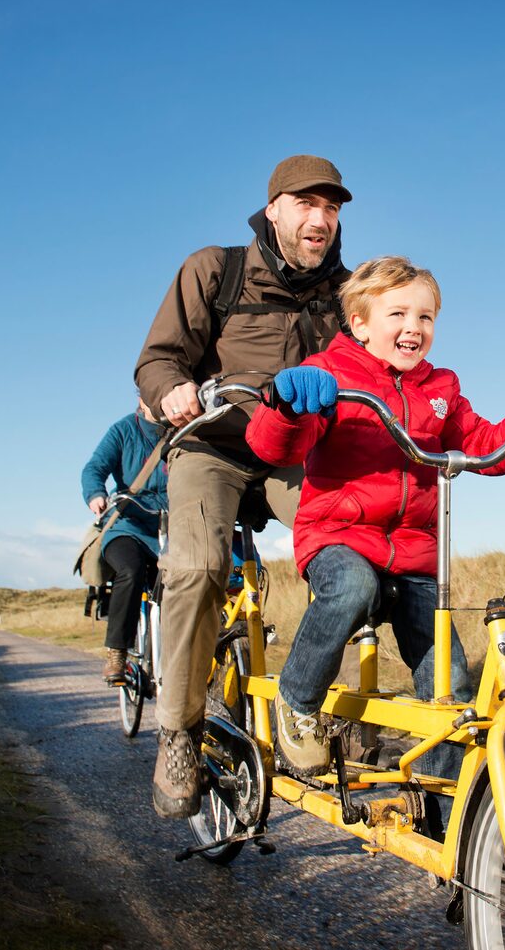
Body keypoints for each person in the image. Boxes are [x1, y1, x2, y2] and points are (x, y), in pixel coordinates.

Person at [245, 256, 505, 777]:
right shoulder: (327, 375)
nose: (414, 328)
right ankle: (297, 701)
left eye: (425, 317)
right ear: (359, 323)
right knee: (352, 588)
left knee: (449, 683)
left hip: (414, 554)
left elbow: (485, 445)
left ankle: (442, 802)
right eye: (398, 315)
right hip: (339, 536)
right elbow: (273, 448)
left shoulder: (441, 388)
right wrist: (288, 406)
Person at [135, 154, 352, 820]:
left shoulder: (347, 292)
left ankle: (315, 702)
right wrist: (171, 388)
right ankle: (179, 730)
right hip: (215, 444)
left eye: (333, 207)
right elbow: (158, 355)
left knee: (356, 546)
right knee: (198, 567)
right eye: (307, 204)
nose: (321, 218)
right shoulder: (214, 270)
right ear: (276, 210)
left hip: (292, 450)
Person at [80, 397, 167, 685]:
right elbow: (94, 468)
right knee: (129, 570)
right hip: (127, 524)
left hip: (169, 528)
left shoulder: (180, 430)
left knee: (182, 582)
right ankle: (117, 652)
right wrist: (96, 494)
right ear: (142, 399)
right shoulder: (122, 430)